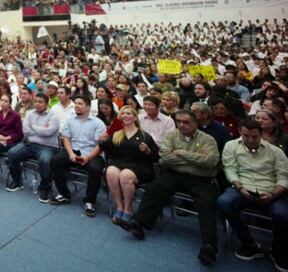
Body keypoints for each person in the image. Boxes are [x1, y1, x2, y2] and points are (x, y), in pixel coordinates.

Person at [124, 110, 220, 265]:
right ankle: (139, 224)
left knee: (206, 202)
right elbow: (165, 159)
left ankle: (209, 245)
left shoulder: (207, 139)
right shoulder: (172, 135)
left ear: (195, 123)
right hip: (174, 174)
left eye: (186, 122)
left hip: (201, 179)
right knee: (154, 188)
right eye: (179, 121)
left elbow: (211, 162)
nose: (181, 124)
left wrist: (180, 153)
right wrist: (195, 157)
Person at [219, 117, 288, 268]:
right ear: (239, 132)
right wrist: (239, 187)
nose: (250, 140)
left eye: (255, 136)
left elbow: (283, 177)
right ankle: (249, 243)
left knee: (283, 214)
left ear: (261, 133)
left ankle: (277, 250)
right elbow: (230, 169)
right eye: (246, 136)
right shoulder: (231, 146)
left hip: (270, 190)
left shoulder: (276, 152)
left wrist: (273, 194)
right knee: (223, 202)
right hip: (242, 187)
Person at [50, 95, 106, 217]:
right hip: (74, 150)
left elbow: (100, 145)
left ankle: (90, 201)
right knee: (56, 160)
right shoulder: (70, 120)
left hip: (92, 153)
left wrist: (89, 157)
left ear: (88, 107)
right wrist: (70, 153)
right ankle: (64, 194)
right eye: (75, 103)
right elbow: (66, 138)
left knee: (96, 168)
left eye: (80, 103)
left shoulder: (98, 123)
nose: (76, 106)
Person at [102, 106, 159, 226]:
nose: (125, 116)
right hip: (120, 163)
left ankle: (128, 209)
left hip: (140, 166)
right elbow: (106, 148)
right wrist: (102, 141)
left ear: (134, 117)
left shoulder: (144, 136)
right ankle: (119, 206)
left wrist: (148, 151)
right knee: (110, 171)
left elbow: (156, 157)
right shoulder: (117, 134)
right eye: (123, 114)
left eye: (129, 113)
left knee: (125, 175)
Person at [6, 92, 60, 202]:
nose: (37, 104)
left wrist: (33, 127)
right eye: (36, 101)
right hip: (30, 144)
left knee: (45, 160)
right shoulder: (30, 113)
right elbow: (25, 130)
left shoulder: (53, 116)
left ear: (46, 104)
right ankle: (17, 181)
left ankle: (45, 188)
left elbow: (49, 132)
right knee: (12, 153)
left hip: (47, 146)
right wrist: (41, 129)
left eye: (40, 102)